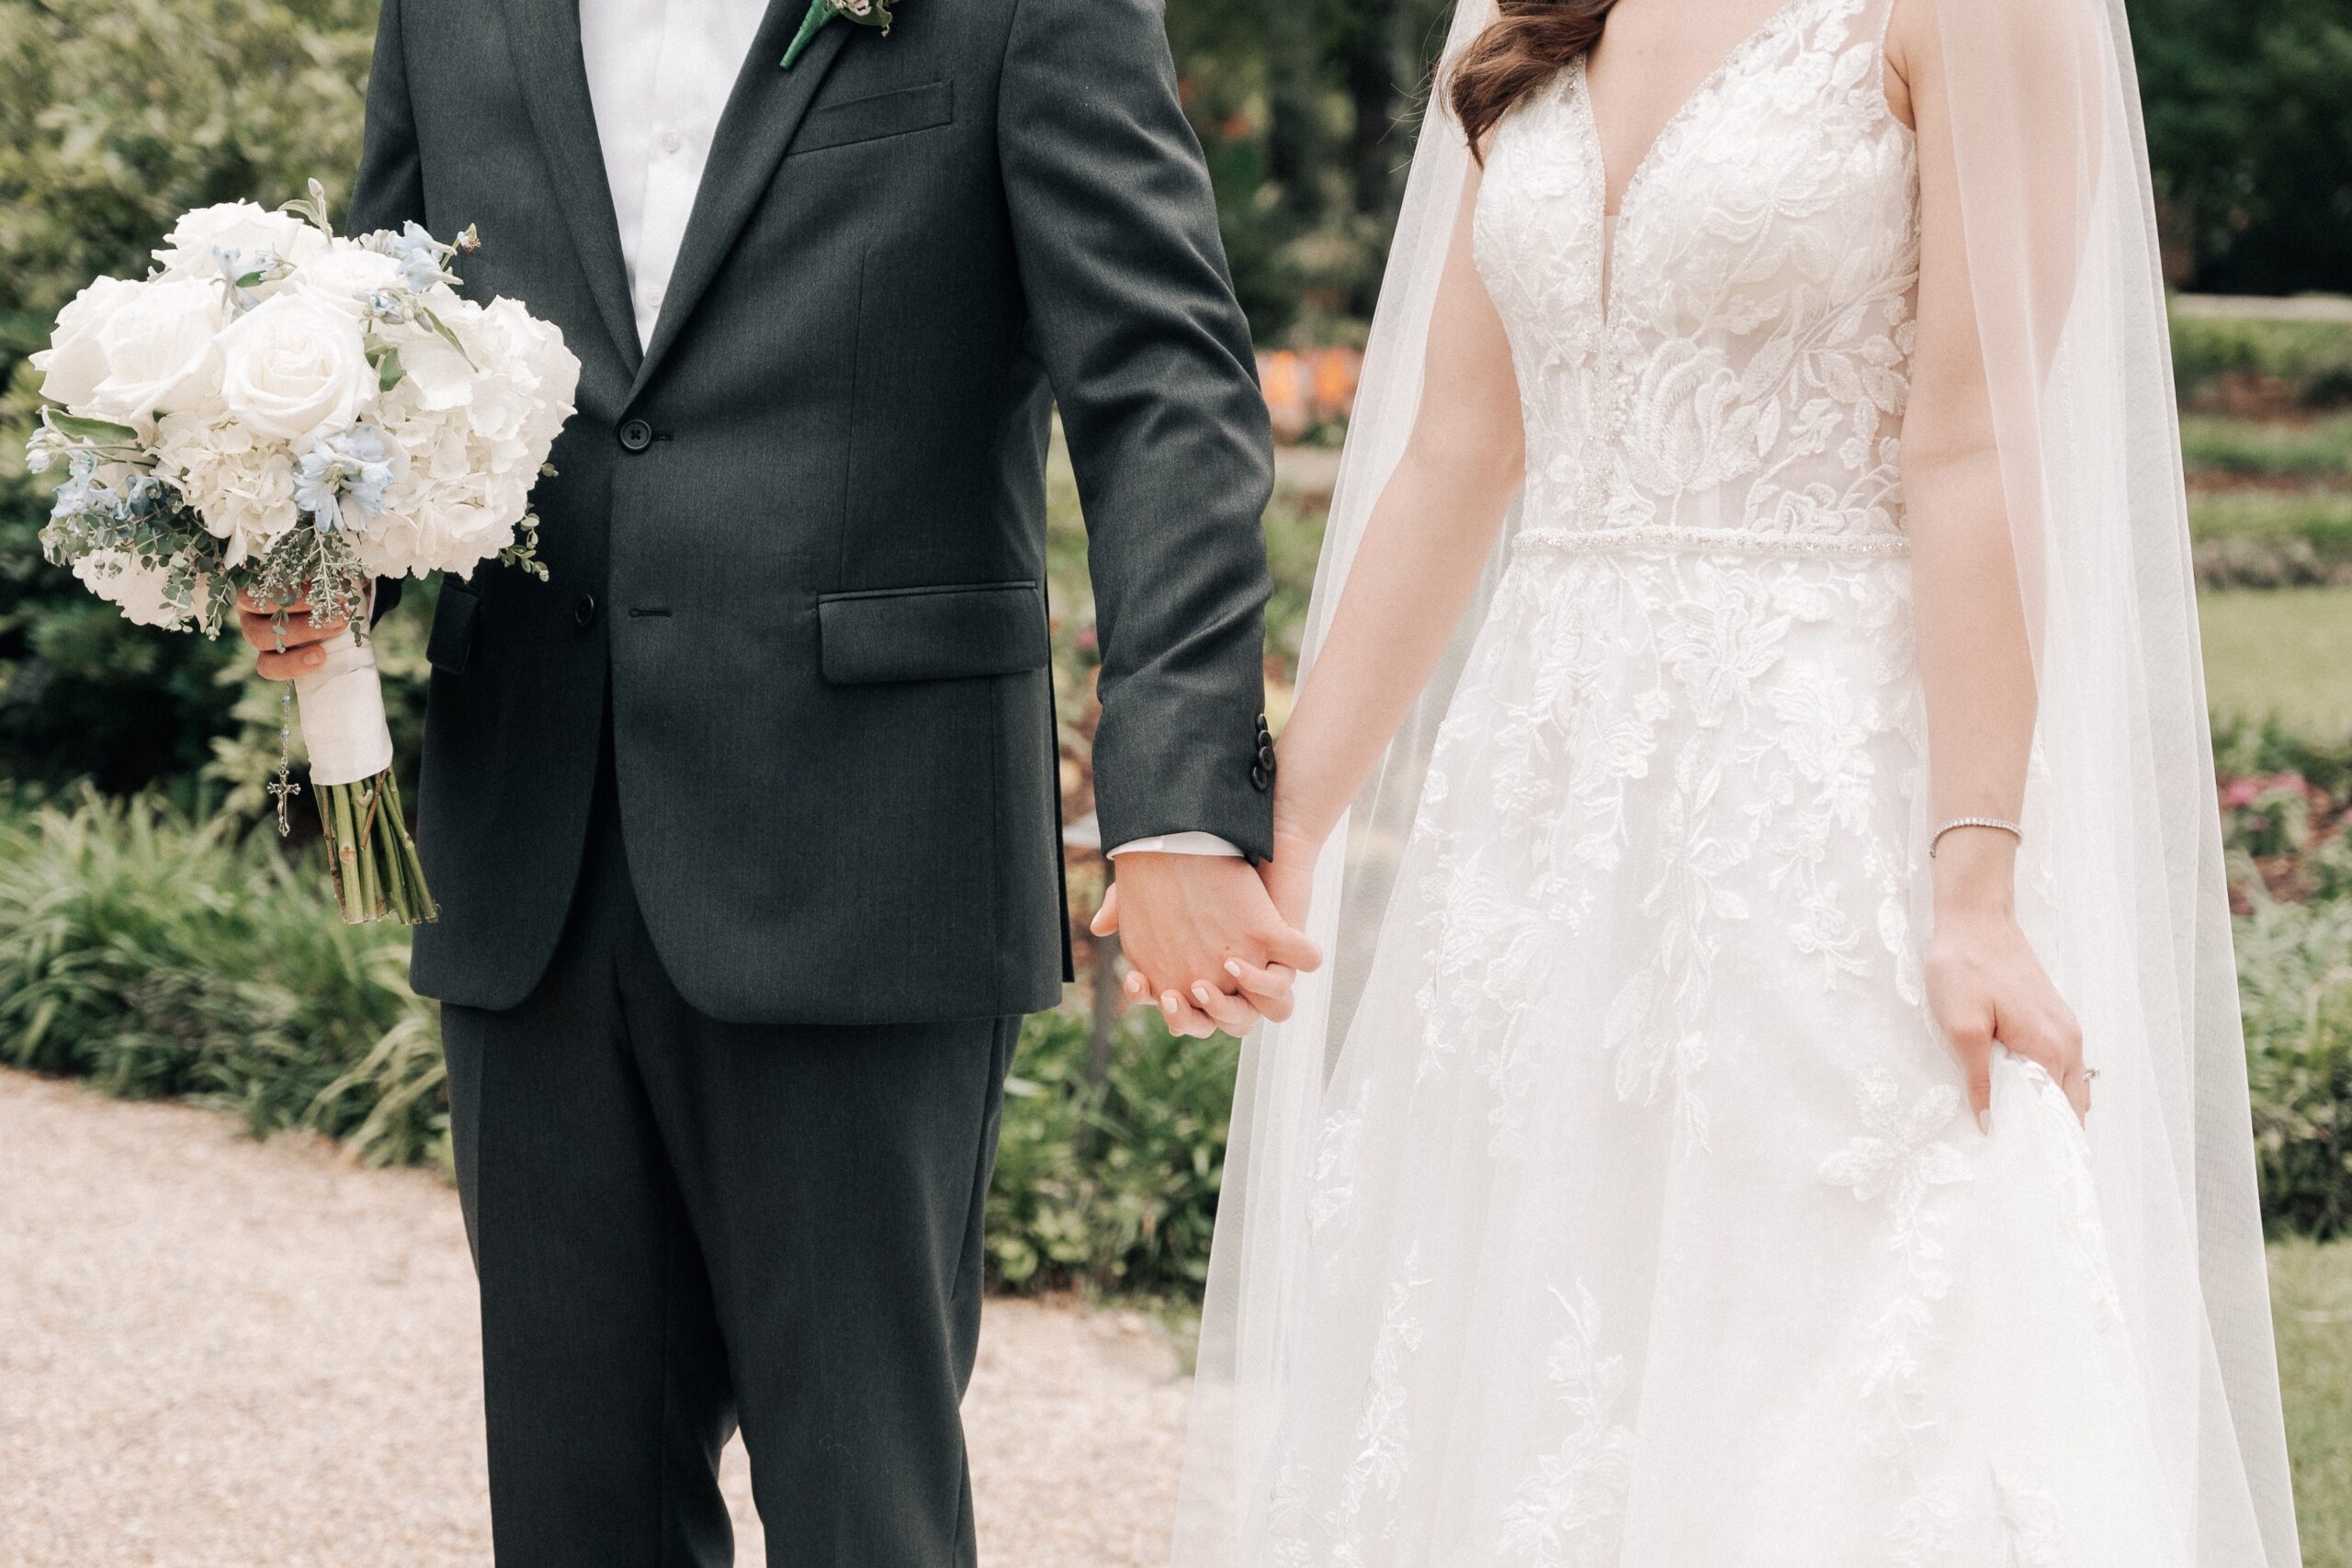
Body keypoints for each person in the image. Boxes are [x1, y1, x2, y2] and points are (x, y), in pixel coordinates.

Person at [1155, 0, 2305, 1562]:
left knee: (1822, 1358)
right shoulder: (1526, 11)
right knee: (1525, 1349)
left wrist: (1973, 882)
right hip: (1540, 815)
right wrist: (1285, 819)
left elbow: (1976, 450)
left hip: (1817, 804)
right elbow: (1457, 451)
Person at [242, 0, 1313, 1561]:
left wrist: (1175, 799)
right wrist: (321, 556)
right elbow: (392, 351)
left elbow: (1166, 389)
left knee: (860, 1501)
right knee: (571, 1507)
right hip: (534, 839)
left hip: (872, 839)